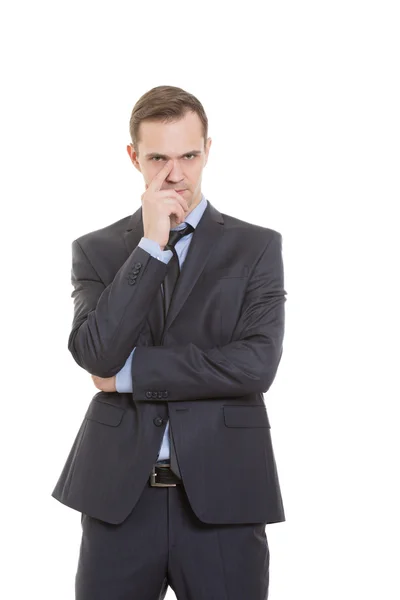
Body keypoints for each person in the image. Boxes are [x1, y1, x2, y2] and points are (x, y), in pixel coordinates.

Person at [51, 84, 287, 600]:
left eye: (189, 156)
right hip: (119, 499)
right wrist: (150, 246)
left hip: (224, 495)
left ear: (208, 152)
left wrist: (132, 376)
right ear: (134, 157)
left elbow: (257, 364)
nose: (175, 174)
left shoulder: (257, 247)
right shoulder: (95, 251)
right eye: (158, 158)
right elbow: (95, 355)